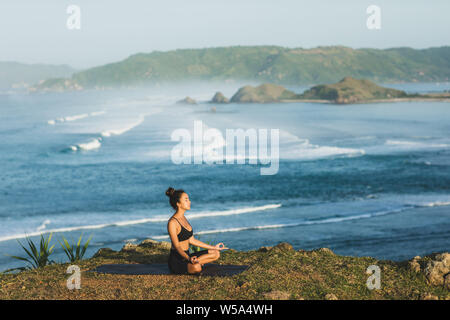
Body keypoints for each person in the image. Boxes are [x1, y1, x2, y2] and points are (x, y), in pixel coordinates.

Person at [166, 187, 228, 274]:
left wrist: (214, 247)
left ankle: (196, 261)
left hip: (188, 255)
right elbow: (177, 247)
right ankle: (195, 263)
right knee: (197, 268)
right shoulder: (172, 222)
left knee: (216, 253)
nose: (189, 202)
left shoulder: (183, 218)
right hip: (178, 259)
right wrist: (188, 258)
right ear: (178, 204)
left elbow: (192, 240)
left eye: (188, 199)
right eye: (186, 200)